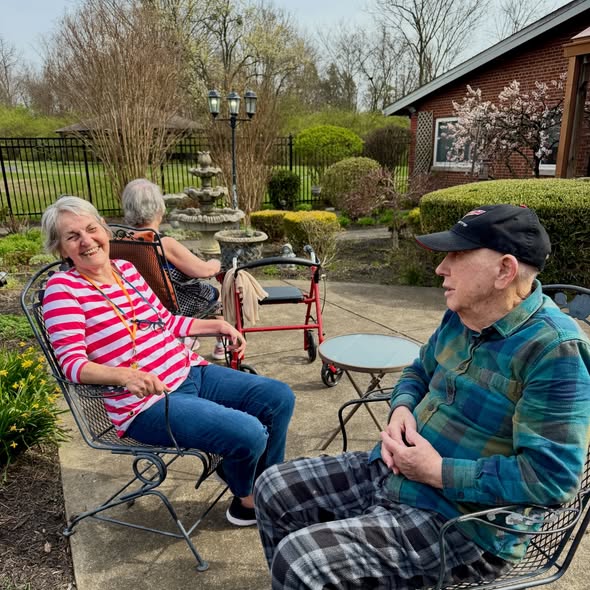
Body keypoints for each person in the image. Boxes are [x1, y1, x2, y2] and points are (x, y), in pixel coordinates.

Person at [254, 204, 590, 589]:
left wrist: (437, 471)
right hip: (399, 470)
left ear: (505, 270)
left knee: (302, 562)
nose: (440, 269)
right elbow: (418, 371)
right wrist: (401, 408)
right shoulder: (462, 314)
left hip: (464, 526)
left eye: (457, 255)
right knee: (273, 488)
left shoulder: (554, 351)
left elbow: (551, 479)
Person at [41, 195, 295, 527]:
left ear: (104, 228)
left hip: (190, 371)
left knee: (278, 398)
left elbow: (166, 321)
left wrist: (214, 325)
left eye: (91, 229)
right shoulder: (63, 290)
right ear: (62, 250)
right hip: (146, 404)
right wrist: (124, 376)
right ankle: (248, 501)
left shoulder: (126, 270)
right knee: (249, 434)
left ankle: (260, 484)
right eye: (73, 237)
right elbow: (71, 365)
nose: (87, 240)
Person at [121, 178, 226, 360]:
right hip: (172, 305)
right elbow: (204, 271)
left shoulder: (119, 242)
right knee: (212, 294)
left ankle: (186, 338)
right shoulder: (162, 243)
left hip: (137, 304)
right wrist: (215, 262)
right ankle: (221, 344)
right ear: (159, 209)